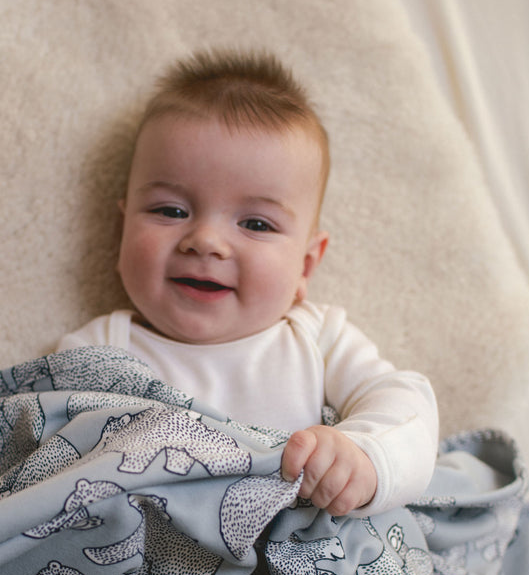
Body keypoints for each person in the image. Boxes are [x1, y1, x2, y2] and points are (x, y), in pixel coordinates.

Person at [58, 49, 438, 517]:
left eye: (256, 224)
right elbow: (42, 454)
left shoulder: (318, 340)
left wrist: (365, 457)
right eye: (170, 211)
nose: (206, 241)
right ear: (121, 233)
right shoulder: (97, 351)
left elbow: (408, 407)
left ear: (304, 266)